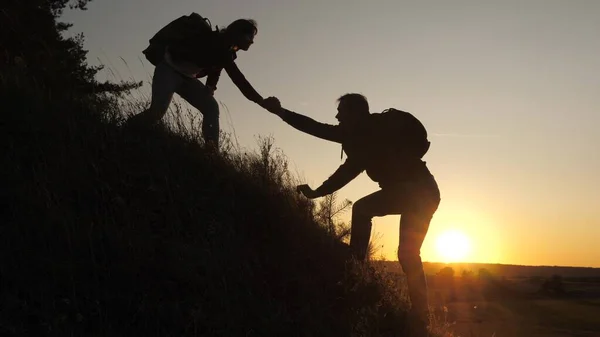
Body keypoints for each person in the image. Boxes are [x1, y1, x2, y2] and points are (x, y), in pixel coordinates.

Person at [262, 94, 441, 336]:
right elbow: (343, 167)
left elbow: (316, 130)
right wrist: (317, 192)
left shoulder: (365, 135)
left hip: (416, 192)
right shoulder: (367, 134)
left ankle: (356, 263)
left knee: (364, 210)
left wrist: (281, 112)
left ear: (356, 114)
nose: (337, 117)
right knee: (408, 253)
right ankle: (421, 316)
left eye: (342, 112)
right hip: (426, 193)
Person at [127, 14, 267, 148]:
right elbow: (239, 79)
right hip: (169, 69)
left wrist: (210, 86)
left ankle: (211, 152)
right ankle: (127, 128)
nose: (252, 41)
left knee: (211, 107)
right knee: (157, 112)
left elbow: (217, 68)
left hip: (188, 78)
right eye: (250, 36)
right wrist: (261, 101)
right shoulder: (219, 43)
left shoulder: (227, 49)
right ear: (238, 33)